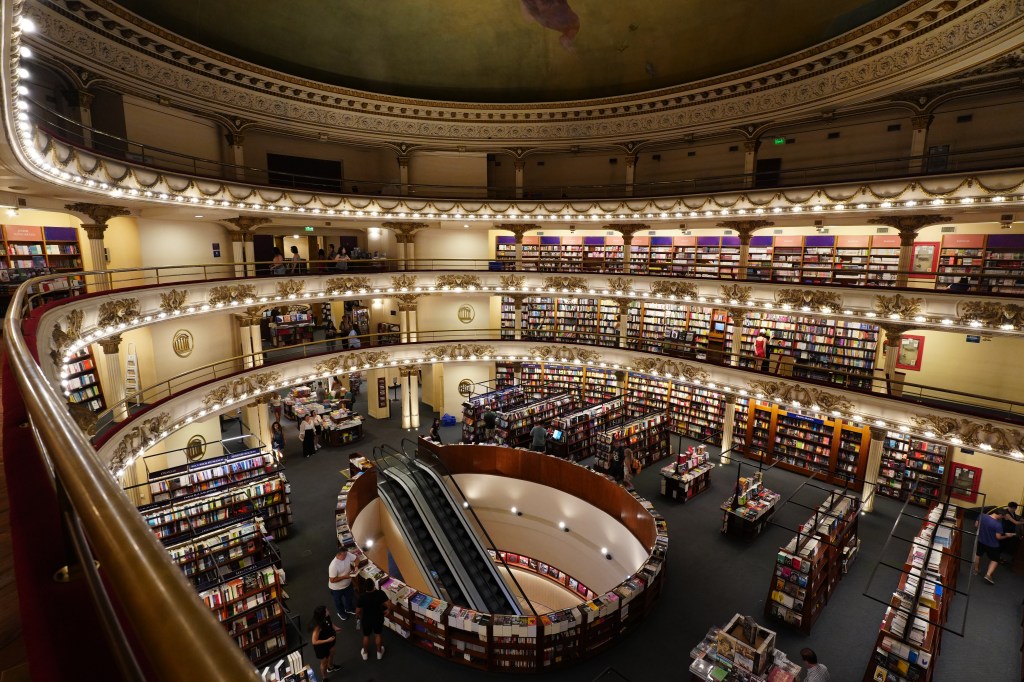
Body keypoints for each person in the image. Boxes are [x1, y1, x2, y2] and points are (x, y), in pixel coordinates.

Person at [975, 507, 1016, 584]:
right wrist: (1007, 536)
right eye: (1002, 516)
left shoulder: (981, 515)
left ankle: (976, 570)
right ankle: (988, 575)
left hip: (981, 541)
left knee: (978, 555)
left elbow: (976, 525)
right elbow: (998, 537)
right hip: (992, 545)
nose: (1002, 518)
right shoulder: (998, 524)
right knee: (995, 560)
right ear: (1000, 515)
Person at [356, 576, 391, 661]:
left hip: (366, 619)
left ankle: (365, 653)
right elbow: (388, 604)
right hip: (378, 617)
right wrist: (388, 610)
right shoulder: (380, 593)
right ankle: (379, 652)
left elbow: (357, 610)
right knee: (378, 634)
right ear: (373, 586)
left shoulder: (362, 597)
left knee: (366, 636)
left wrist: (358, 617)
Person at [310, 605, 341, 679]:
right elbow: (314, 641)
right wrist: (327, 640)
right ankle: (324, 677)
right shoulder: (317, 627)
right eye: (326, 611)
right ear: (322, 614)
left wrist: (335, 627)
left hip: (330, 640)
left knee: (333, 652)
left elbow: (330, 622)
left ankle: (330, 667)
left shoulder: (327, 617)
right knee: (324, 663)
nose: (328, 611)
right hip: (321, 646)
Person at [328, 546, 358, 621]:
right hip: (336, 588)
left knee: (349, 597)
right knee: (338, 602)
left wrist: (356, 566)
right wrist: (344, 577)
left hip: (348, 584)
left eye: (346, 554)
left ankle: (348, 608)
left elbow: (356, 559)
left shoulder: (347, 554)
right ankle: (340, 612)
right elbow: (332, 580)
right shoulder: (333, 565)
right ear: (338, 555)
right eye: (344, 555)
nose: (346, 556)